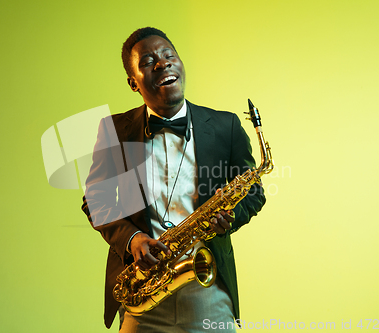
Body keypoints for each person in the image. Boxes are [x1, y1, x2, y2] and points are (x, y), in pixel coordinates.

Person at [82, 27, 266, 332]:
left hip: (207, 287)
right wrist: (133, 239)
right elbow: (95, 201)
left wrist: (231, 215)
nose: (162, 63)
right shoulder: (114, 130)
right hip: (143, 290)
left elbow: (253, 191)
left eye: (169, 55)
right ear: (133, 83)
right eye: (148, 61)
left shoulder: (226, 125)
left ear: (179, 64)